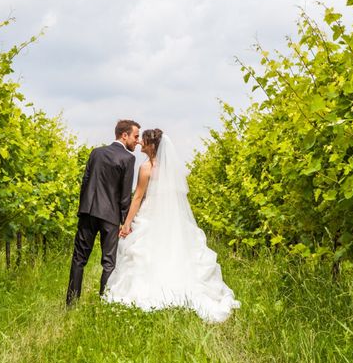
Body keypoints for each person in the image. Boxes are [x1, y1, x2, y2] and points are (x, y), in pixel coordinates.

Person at [104, 129, 240, 323]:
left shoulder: (146, 168)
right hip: (170, 217)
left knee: (148, 251)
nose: (141, 143)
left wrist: (126, 224)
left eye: (144, 140)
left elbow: (138, 197)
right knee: (172, 249)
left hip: (150, 215)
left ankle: (153, 290)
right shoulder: (171, 169)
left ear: (151, 145)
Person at [66, 119, 139, 306]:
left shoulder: (96, 152)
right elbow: (125, 194)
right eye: (135, 136)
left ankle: (71, 302)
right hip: (110, 215)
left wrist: (83, 209)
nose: (137, 141)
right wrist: (125, 221)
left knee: (79, 259)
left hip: (88, 212)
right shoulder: (128, 159)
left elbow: (85, 182)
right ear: (125, 135)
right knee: (108, 262)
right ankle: (104, 301)